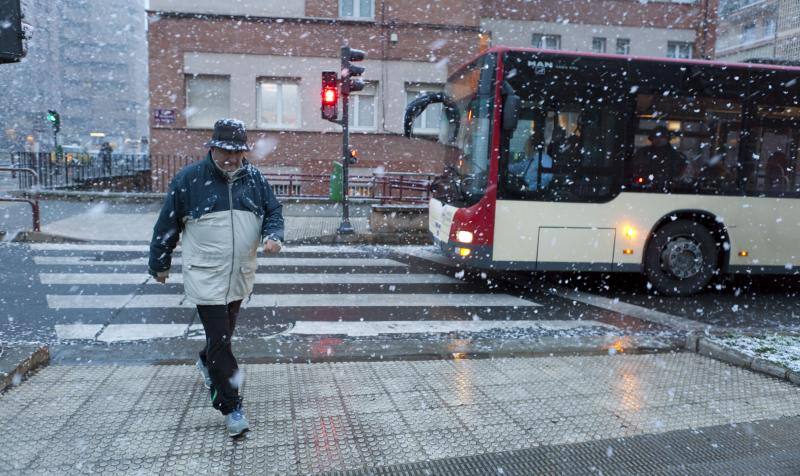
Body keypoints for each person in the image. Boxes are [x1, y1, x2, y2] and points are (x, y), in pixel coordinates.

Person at [148, 119, 284, 437]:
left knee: (222, 340)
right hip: (206, 277)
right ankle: (231, 406)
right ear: (212, 147)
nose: (230, 158)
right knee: (222, 342)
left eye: (236, 152)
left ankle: (206, 359)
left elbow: (274, 210)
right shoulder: (189, 180)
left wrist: (273, 234)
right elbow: (166, 225)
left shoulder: (254, 178)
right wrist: (159, 263)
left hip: (239, 275)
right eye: (224, 151)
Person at [630, 126, 690, 192]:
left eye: (662, 137)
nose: (658, 140)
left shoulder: (677, 156)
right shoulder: (642, 153)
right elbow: (635, 168)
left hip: (670, 189)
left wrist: (672, 180)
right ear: (652, 139)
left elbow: (682, 173)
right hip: (644, 187)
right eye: (655, 137)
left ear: (667, 139)